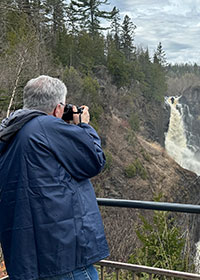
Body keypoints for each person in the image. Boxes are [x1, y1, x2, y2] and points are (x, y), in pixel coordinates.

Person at [0, 75, 109, 280]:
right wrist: (84, 126)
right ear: (58, 108)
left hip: (27, 253)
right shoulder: (46, 127)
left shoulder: (10, 129)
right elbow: (94, 160)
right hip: (63, 254)